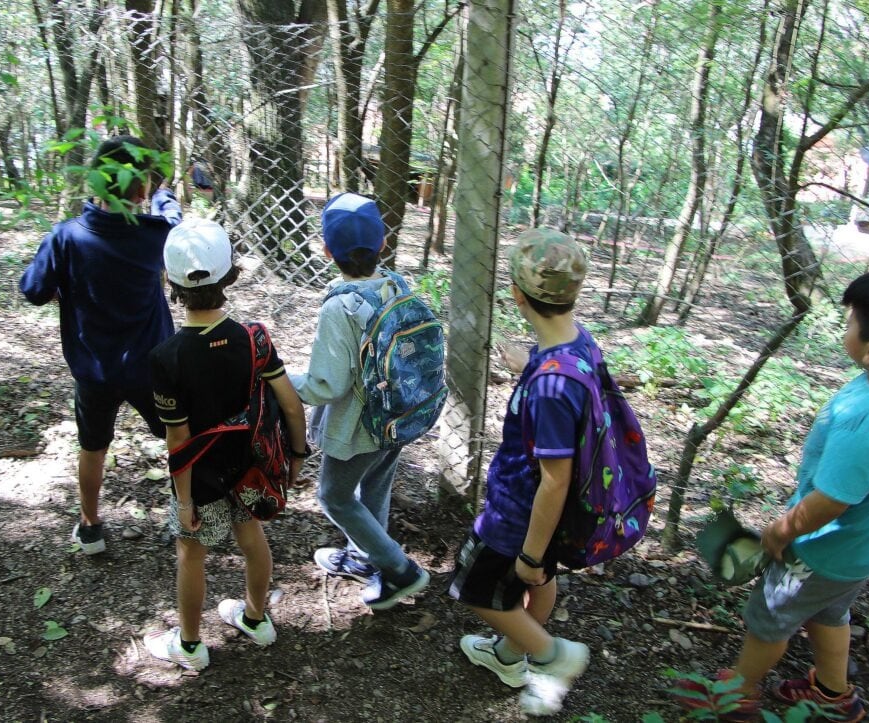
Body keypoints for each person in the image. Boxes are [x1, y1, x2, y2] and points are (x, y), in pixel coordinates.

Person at [674, 270, 869, 722]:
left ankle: (736, 694)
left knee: (770, 617)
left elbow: (832, 501)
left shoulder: (868, 420)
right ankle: (833, 692)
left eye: (850, 324)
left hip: (820, 549)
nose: (846, 331)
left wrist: (782, 530)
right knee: (829, 612)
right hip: (865, 549)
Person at [143, 219, 307, 670]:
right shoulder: (253, 338)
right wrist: (296, 457)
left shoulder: (166, 357)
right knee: (252, 538)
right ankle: (256, 618)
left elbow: (178, 438)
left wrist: (183, 502)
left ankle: (191, 646)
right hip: (251, 466)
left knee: (191, 553)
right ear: (230, 274)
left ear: (170, 282)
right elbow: (291, 405)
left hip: (203, 479)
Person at [447, 228, 592, 716]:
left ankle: (553, 656)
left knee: (475, 589)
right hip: (548, 515)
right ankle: (510, 655)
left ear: (516, 294)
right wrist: (530, 362)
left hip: (518, 513)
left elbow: (555, 477)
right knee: (538, 578)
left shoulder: (551, 386)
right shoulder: (578, 347)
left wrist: (528, 551)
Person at [19, 135, 182, 555]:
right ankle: (185, 518)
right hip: (151, 367)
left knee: (92, 446)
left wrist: (66, 290)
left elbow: (34, 289)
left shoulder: (66, 236)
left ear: (95, 181)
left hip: (95, 370)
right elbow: (185, 239)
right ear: (141, 189)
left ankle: (90, 526)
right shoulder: (156, 236)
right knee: (177, 440)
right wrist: (166, 200)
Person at [289, 192, 430, 610]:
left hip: (359, 426)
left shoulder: (341, 308)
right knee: (375, 484)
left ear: (327, 249)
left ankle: (401, 570)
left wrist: (278, 379)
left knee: (333, 496)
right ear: (383, 244)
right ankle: (366, 559)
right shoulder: (394, 285)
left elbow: (326, 386)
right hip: (400, 413)